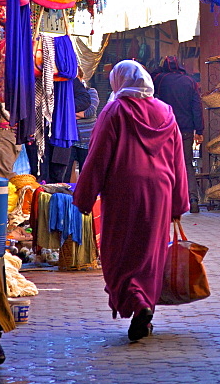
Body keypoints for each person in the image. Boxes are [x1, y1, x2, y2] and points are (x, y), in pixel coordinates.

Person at [73, 60, 189, 341]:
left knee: (121, 249)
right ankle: (145, 306)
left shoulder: (115, 110)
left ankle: (136, 300)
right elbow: (177, 160)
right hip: (160, 191)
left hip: (124, 190)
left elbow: (98, 155)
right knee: (151, 251)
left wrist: (85, 196)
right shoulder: (165, 112)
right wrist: (179, 202)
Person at [151, 56, 204, 212]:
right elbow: (197, 107)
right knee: (187, 164)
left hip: (165, 129)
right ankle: (193, 199)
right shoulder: (189, 81)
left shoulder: (160, 79)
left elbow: (153, 95)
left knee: (165, 164)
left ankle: (168, 200)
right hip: (186, 130)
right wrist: (199, 130)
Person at [59, 71, 99, 182]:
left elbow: (90, 111)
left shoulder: (91, 92)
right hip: (70, 139)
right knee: (65, 173)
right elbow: (60, 110)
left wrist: (68, 112)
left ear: (81, 78)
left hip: (87, 140)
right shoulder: (66, 95)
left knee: (86, 174)